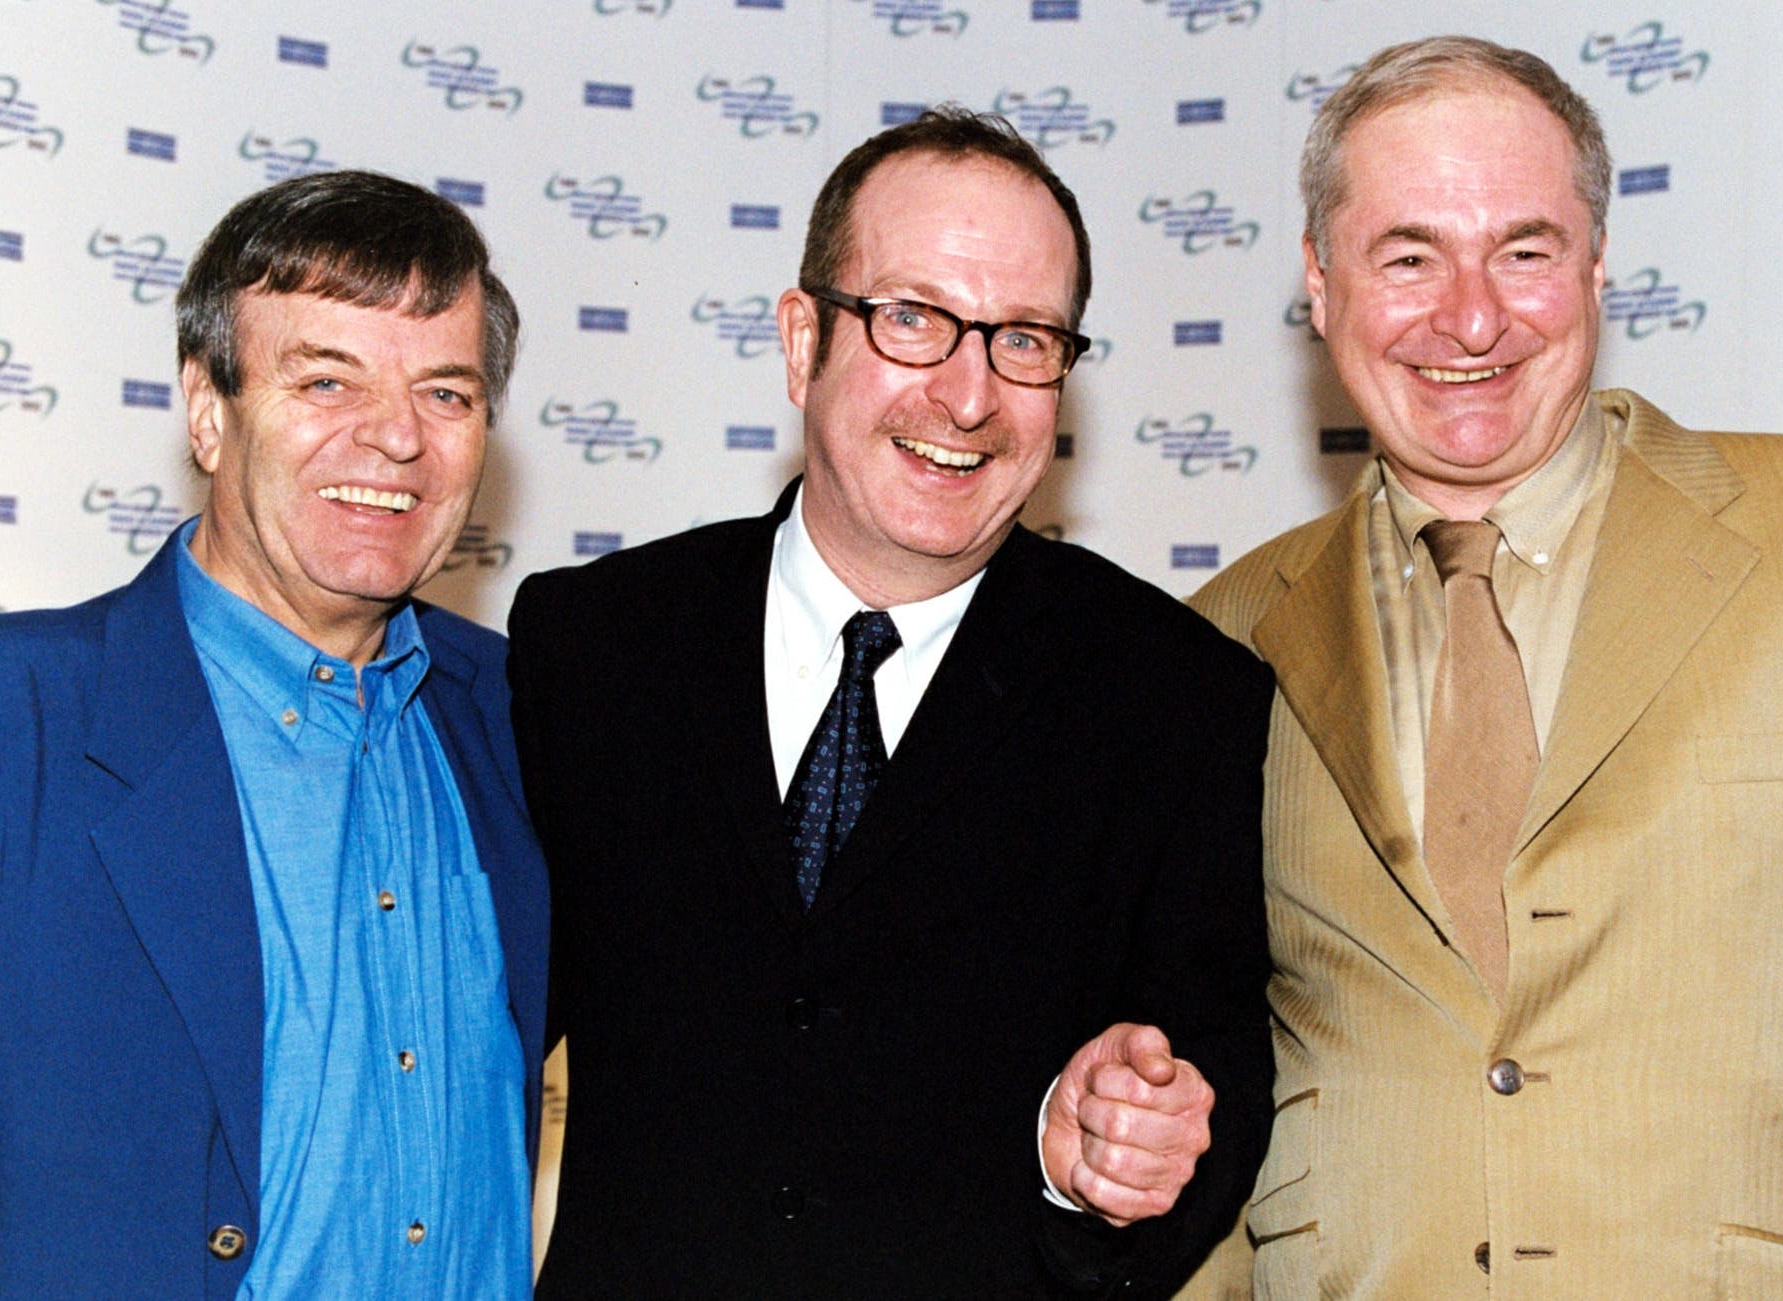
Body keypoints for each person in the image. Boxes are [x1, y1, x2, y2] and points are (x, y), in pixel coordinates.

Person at [1189, 33, 1783, 1297]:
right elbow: (1190, 1104)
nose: (1470, 314)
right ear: (1319, 284)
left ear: (1597, 267)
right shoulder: (1216, 637)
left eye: (1524, 250)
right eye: (1408, 254)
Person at [509, 107, 1273, 1297]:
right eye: (912, 319)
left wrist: (1099, 1163)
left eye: (1024, 338)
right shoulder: (592, 643)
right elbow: (462, 1029)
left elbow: (1208, 1091)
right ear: (802, 337)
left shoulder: (1175, 696)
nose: (968, 396)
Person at [0, 171, 548, 1299]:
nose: (395, 436)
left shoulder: (529, 715)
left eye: (445, 393)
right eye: (326, 377)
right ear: (208, 407)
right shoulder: (19, 717)